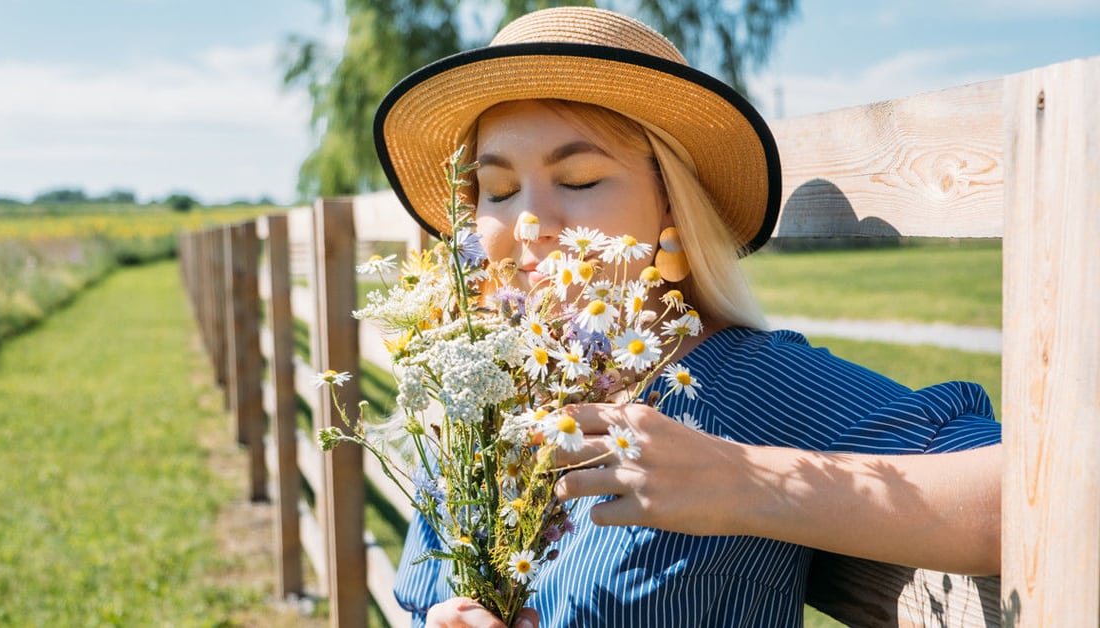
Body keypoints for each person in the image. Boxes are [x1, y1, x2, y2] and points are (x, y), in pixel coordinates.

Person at [372, 7, 1001, 627]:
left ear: (671, 202)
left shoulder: (743, 385)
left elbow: (1035, 491)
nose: (528, 224)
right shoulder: (481, 401)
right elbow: (426, 598)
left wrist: (747, 480)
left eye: (581, 178)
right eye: (500, 191)